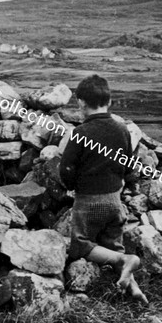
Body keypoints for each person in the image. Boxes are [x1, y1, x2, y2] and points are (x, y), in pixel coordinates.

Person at [59, 74, 148, 304]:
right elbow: (129, 165)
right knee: (113, 243)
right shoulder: (122, 130)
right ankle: (134, 288)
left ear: (80, 102)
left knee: (81, 245)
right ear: (108, 102)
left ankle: (125, 261)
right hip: (114, 201)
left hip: (88, 202)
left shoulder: (81, 133)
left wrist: (69, 185)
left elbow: (67, 168)